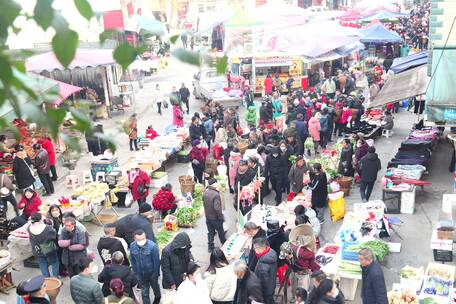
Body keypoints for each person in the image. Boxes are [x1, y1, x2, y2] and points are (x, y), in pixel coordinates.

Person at [131, 229, 161, 304]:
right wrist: (136, 273)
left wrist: (155, 275)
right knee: (144, 293)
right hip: (140, 275)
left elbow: (156, 262)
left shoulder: (153, 246)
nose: (142, 241)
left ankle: (158, 298)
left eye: (143, 239)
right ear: (135, 239)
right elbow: (133, 260)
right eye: (139, 239)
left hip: (152, 274)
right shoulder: (132, 246)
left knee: (155, 288)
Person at [28, 212, 59, 278]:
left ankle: (47, 279)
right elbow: (54, 236)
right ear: (40, 219)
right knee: (54, 262)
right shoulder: (48, 228)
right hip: (49, 249)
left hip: (37, 250)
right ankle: (55, 278)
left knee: (42, 263)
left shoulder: (29, 228)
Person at [252, 237, 277, 304]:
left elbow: (263, 282)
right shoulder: (271, 252)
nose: (254, 250)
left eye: (254, 248)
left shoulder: (262, 265)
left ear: (259, 248)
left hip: (266, 291)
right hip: (272, 285)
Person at [203, 178, 226, 252]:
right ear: (215, 184)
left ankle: (210, 247)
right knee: (221, 232)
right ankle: (225, 245)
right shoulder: (216, 195)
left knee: (210, 232)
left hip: (208, 217)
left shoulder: (205, 192)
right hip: (215, 218)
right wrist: (221, 217)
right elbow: (217, 208)